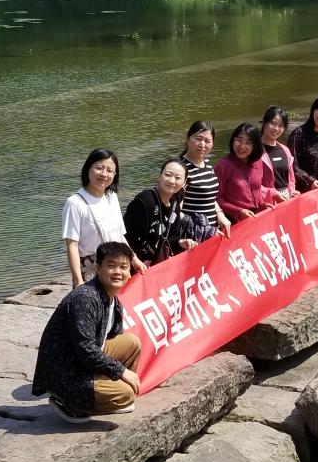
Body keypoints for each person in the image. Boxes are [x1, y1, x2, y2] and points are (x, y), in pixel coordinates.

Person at [32, 241, 142, 422]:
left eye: (124, 267)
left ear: (130, 271)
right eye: (111, 266)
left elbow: (110, 337)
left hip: (82, 362)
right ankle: (70, 404)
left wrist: (118, 372)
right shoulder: (85, 299)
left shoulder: (112, 299)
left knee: (132, 343)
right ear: (98, 268)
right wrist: (121, 371)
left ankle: (102, 387)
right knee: (126, 395)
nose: (118, 272)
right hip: (66, 371)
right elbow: (86, 350)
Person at [62, 148, 146, 288]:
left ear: (115, 174)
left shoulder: (112, 197)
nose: (104, 174)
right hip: (91, 269)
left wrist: (134, 259)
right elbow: (72, 245)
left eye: (109, 170)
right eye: (99, 168)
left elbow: (119, 235)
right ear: (88, 168)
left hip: (116, 266)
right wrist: (78, 281)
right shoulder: (75, 203)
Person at [124, 158, 216, 267]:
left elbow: (170, 237)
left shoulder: (174, 205)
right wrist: (134, 261)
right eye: (168, 175)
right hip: (132, 262)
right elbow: (124, 238)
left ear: (184, 183)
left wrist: (181, 242)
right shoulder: (145, 201)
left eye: (178, 178)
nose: (172, 181)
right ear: (160, 176)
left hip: (154, 264)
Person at [215, 122, 278, 222]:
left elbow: (257, 191)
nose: (242, 146)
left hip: (256, 217)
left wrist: (263, 204)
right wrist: (238, 212)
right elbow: (216, 199)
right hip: (234, 221)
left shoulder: (258, 162)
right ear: (233, 140)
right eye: (239, 140)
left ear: (255, 146)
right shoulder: (222, 165)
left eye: (248, 143)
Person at [178, 120, 232, 236]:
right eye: (198, 139)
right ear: (187, 139)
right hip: (192, 236)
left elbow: (210, 198)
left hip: (212, 232)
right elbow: (175, 210)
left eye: (207, 141)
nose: (202, 144)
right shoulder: (180, 169)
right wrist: (202, 230)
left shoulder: (207, 163)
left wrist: (220, 215)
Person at [259, 106, 300, 200]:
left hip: (287, 198)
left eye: (281, 126)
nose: (276, 129)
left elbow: (291, 179)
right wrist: (273, 194)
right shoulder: (255, 150)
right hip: (266, 201)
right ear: (264, 123)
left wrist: (292, 191)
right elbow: (250, 183)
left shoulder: (285, 150)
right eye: (273, 123)